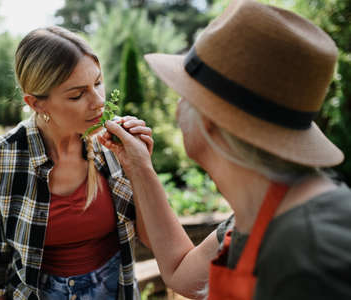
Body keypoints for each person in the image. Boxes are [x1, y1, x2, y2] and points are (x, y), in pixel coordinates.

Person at [98, 0, 351, 299]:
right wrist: (138, 166)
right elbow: (182, 273)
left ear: (212, 121)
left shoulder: (313, 253)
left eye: (185, 94)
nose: (178, 108)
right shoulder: (259, 216)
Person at [0, 26, 153, 300]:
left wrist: (142, 169)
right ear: (36, 103)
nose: (99, 101)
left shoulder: (115, 146)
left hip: (117, 290)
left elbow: (153, 239)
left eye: (98, 82)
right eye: (77, 94)